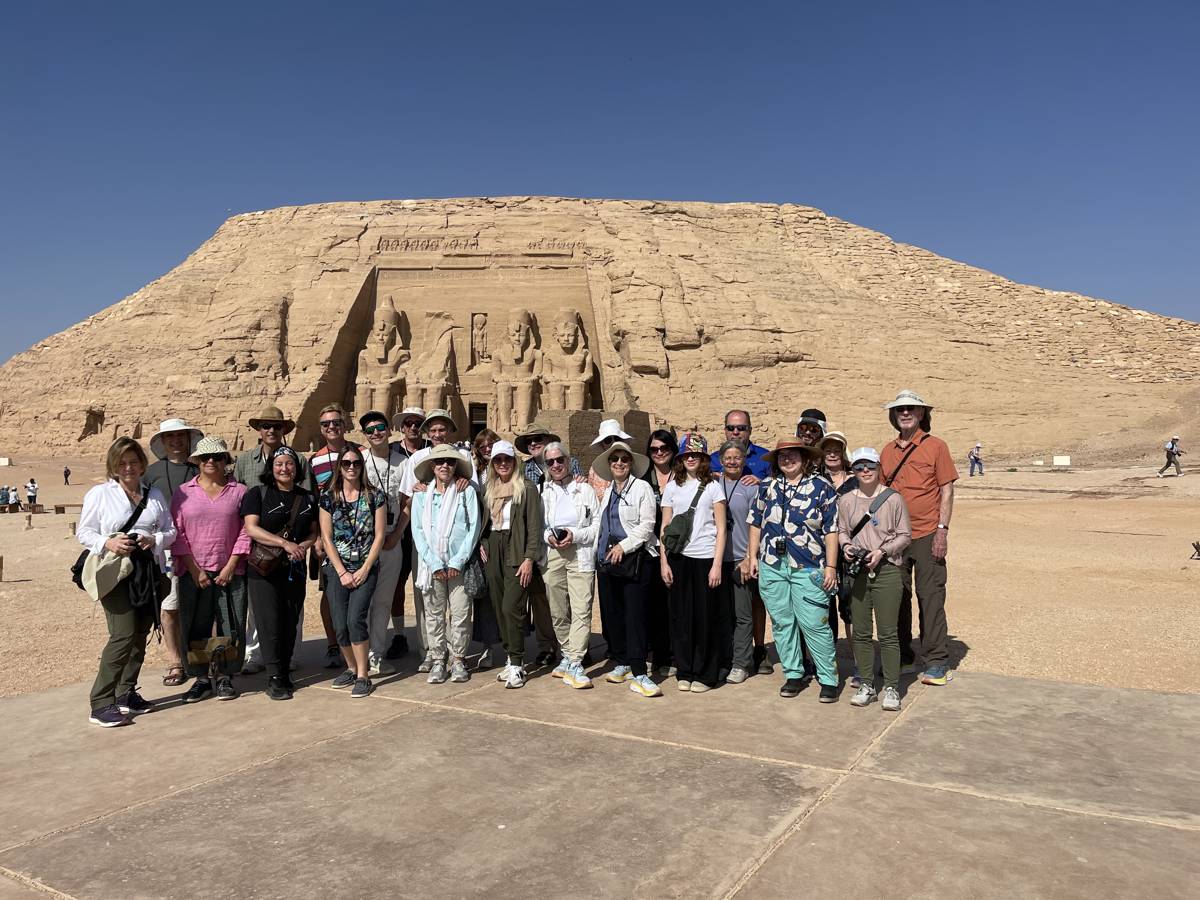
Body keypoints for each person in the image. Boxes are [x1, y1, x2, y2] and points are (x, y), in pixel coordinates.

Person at [78, 437, 176, 727]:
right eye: (122, 463)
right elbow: (84, 533)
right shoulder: (100, 494)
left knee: (140, 633)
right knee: (122, 634)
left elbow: (170, 530)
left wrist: (153, 539)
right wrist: (109, 542)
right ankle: (100, 702)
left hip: (147, 571)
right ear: (114, 466)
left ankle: (125, 693)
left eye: (133, 461)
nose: (128, 467)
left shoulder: (154, 494)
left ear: (142, 464)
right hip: (116, 571)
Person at [746, 438, 840, 703]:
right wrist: (751, 556)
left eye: (793, 455)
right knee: (782, 622)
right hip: (773, 565)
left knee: (814, 623)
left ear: (805, 458)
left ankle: (827, 677)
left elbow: (831, 530)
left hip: (808, 565)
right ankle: (794, 673)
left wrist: (831, 566)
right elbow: (755, 522)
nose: (788, 460)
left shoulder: (822, 488)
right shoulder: (768, 487)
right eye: (782, 456)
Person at [880, 389, 958, 686]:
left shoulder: (936, 447)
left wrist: (942, 530)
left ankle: (936, 660)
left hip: (927, 533)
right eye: (900, 410)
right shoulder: (887, 451)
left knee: (930, 597)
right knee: (895, 598)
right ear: (894, 415)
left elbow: (947, 490)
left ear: (922, 413)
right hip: (894, 536)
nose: (906, 413)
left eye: (912, 408)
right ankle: (902, 656)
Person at [231, 405, 311, 676]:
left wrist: (307, 543)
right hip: (259, 548)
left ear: (283, 430)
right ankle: (256, 655)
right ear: (259, 430)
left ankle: (290, 655)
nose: (271, 430)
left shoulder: (297, 460)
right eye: (266, 426)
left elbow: (308, 500)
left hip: (294, 549)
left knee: (292, 607)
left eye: (276, 427)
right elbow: (237, 501)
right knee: (260, 608)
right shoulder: (245, 461)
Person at [172, 437, 251, 704]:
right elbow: (177, 532)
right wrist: (195, 570)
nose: (210, 462)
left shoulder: (239, 491)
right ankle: (201, 678)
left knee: (232, 622)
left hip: (230, 570)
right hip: (193, 570)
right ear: (197, 461)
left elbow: (245, 531)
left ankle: (226, 675)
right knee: (195, 623)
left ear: (225, 460)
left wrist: (231, 565)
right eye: (205, 457)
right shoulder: (183, 492)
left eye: (217, 457)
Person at [240, 447, 320, 700]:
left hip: (293, 568)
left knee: (290, 620)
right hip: (263, 569)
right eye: (279, 464)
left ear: (297, 468)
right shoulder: (258, 493)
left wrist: (302, 547)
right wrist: (285, 544)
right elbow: (251, 528)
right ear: (271, 468)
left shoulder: (307, 497)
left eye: (289, 464)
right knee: (268, 622)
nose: (284, 468)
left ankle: (284, 671)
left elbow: (313, 532)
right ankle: (274, 676)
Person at [399, 409, 473, 673]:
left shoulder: (462, 457)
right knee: (427, 600)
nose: (438, 434)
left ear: (450, 431)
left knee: (458, 604)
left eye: (443, 429)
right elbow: (408, 498)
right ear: (427, 433)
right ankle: (430, 651)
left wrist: (464, 478)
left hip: (455, 542)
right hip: (427, 542)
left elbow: (470, 492)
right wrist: (419, 490)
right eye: (433, 430)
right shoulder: (419, 458)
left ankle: (455, 655)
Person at [838, 448, 911, 712]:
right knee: (861, 631)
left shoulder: (893, 499)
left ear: (878, 467)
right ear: (853, 471)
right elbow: (843, 531)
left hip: (887, 569)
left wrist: (883, 551)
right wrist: (846, 546)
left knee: (889, 633)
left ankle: (891, 686)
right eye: (859, 467)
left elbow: (904, 535)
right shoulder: (846, 500)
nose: (865, 471)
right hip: (858, 570)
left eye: (870, 465)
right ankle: (866, 683)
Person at [593, 440, 661, 698]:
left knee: (635, 617)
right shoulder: (609, 490)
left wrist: (624, 545)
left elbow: (647, 525)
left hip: (634, 561)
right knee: (614, 614)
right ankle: (622, 660)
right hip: (609, 562)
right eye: (614, 459)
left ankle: (639, 671)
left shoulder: (641, 487)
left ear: (631, 463)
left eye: (624, 459)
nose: (619, 463)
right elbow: (600, 526)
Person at [410, 445, 483, 684]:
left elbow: (473, 529)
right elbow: (418, 531)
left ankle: (459, 659)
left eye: (450, 462)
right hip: (432, 565)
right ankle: (439, 658)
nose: (445, 466)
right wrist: (433, 562)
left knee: (461, 613)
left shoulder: (466, 492)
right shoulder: (422, 495)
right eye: (440, 462)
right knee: (434, 615)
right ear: (432, 466)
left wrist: (457, 561)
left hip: (457, 564)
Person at [319, 445, 387, 699]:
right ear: (339, 467)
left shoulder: (374, 496)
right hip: (337, 568)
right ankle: (350, 667)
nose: (351, 468)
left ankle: (363, 675)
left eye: (356, 463)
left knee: (355, 619)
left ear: (362, 466)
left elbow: (380, 535)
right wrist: (342, 571)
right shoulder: (328, 497)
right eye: (346, 463)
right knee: (339, 623)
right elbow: (326, 537)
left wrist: (365, 568)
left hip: (365, 567)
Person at [660, 434, 727, 693]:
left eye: (696, 455)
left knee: (705, 618)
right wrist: (664, 562)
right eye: (687, 455)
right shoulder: (672, 486)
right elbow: (665, 527)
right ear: (680, 458)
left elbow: (721, 529)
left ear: (703, 459)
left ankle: (706, 673)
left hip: (705, 557)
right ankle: (685, 669)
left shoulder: (712, 487)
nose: (691, 459)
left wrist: (717, 564)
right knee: (681, 617)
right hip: (679, 558)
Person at [480, 440, 543, 689]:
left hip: (516, 548)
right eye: (498, 460)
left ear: (514, 462)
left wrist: (529, 558)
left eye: (507, 459)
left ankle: (518, 663)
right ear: (493, 464)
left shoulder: (526, 488)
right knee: (498, 606)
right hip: (493, 546)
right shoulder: (489, 488)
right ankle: (510, 657)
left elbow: (534, 527)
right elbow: (484, 522)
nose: (503, 464)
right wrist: (483, 544)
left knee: (512, 607)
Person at [145, 418, 203, 688]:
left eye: (181, 436)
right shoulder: (152, 472)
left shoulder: (201, 468)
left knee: (201, 605)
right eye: (171, 437)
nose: (176, 441)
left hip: (199, 546)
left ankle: (203, 659)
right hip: (166, 548)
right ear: (163, 442)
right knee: (170, 607)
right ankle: (175, 660)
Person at [539, 440, 599, 689]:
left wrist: (575, 534)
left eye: (559, 460)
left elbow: (596, 524)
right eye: (550, 462)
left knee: (582, 607)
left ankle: (575, 661)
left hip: (580, 552)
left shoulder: (584, 490)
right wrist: (549, 536)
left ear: (568, 460)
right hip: (554, 553)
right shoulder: (544, 492)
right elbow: (540, 526)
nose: (555, 465)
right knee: (558, 610)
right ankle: (567, 653)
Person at [358, 410, 410, 677]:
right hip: (363, 540)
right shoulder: (358, 461)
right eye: (370, 430)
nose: (376, 433)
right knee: (362, 601)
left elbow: (407, 504)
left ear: (389, 430)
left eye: (380, 427)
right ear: (364, 435)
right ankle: (361, 657)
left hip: (391, 538)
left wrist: (397, 534)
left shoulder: (403, 463)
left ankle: (376, 654)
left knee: (383, 600)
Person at [308, 403, 360, 669]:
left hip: (358, 534)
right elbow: (312, 502)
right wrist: (317, 536)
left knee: (361, 591)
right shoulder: (314, 460)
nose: (331, 427)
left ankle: (360, 645)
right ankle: (333, 644)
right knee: (330, 593)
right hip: (328, 536)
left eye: (336, 422)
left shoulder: (359, 453)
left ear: (345, 424)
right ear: (321, 429)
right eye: (326, 424)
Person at [717, 441, 766, 685]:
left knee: (743, 614)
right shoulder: (714, 484)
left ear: (744, 460)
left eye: (737, 457)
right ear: (721, 460)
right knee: (722, 613)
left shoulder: (750, 487)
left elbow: (754, 525)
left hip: (739, 558)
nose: (732, 461)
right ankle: (725, 657)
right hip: (716, 559)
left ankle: (741, 663)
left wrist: (749, 557)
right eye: (728, 457)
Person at [385, 406, 426, 659]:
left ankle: (426, 637)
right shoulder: (392, 452)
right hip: (399, 523)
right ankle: (399, 634)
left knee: (424, 585)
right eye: (409, 423)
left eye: (417, 423)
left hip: (427, 526)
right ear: (402, 427)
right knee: (396, 584)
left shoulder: (433, 451)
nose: (413, 427)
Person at [642, 428, 678, 676]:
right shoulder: (643, 477)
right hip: (649, 548)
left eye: (664, 448)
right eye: (654, 449)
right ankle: (658, 652)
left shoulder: (683, 475)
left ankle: (674, 652)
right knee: (653, 603)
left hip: (678, 547)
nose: (659, 453)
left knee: (675, 603)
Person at [710, 410, 771, 479]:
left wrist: (761, 484)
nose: (735, 432)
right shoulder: (713, 459)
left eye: (741, 428)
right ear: (725, 431)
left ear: (750, 430)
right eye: (730, 428)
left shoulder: (765, 458)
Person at [586, 418, 633, 499]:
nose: (613, 442)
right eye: (608, 440)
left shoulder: (629, 463)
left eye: (616, 438)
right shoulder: (594, 469)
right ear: (602, 444)